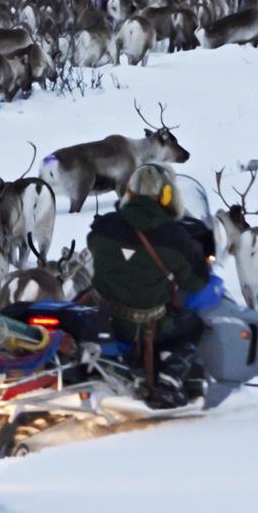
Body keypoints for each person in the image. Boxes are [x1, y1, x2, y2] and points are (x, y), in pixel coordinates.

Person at [86, 162, 215, 408]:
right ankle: (169, 382)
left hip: (104, 315)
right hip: (144, 323)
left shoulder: (104, 226)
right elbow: (196, 281)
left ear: (130, 192)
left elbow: (97, 246)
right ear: (167, 195)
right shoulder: (173, 236)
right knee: (192, 325)